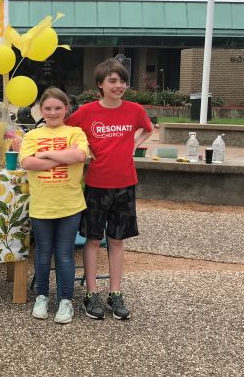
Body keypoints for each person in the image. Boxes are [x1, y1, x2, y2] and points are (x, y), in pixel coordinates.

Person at [65, 58, 153, 320]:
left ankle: (115, 292)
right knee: (92, 239)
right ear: (100, 85)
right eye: (112, 81)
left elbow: (148, 129)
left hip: (125, 184)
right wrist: (85, 149)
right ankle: (91, 293)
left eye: (122, 81)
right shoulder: (88, 112)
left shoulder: (135, 110)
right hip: (96, 185)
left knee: (116, 240)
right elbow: (67, 131)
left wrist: (131, 145)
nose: (119, 85)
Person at [19, 87, 88, 324]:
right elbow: (28, 162)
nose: (52, 112)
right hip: (42, 204)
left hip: (70, 204)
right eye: (48, 108)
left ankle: (65, 301)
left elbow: (79, 156)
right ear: (41, 110)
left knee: (65, 254)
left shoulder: (75, 132)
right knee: (42, 253)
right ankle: (41, 297)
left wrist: (46, 154)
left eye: (57, 107)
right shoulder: (31, 136)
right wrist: (61, 156)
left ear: (66, 108)